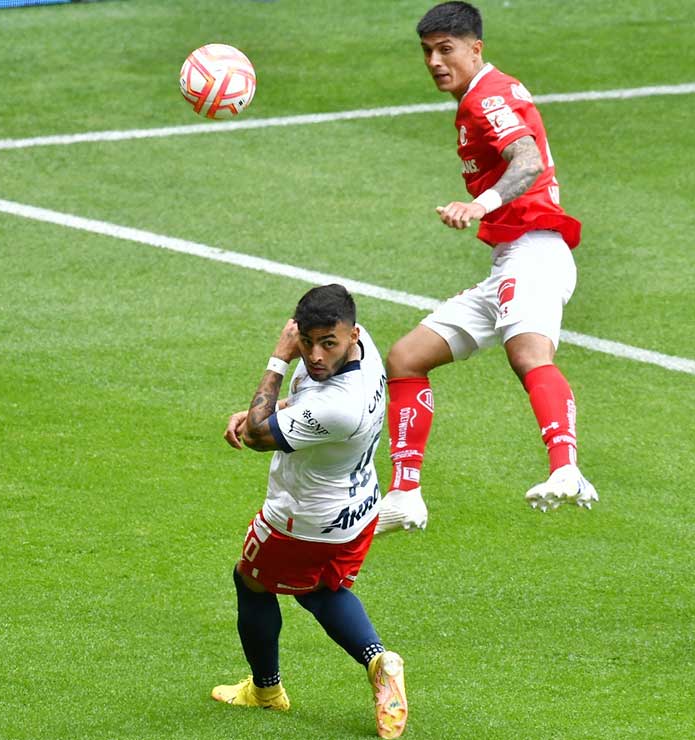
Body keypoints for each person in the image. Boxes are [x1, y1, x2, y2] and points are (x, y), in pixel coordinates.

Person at [376, 1, 598, 535]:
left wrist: (482, 204)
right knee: (406, 357)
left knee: (527, 353)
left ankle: (566, 469)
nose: (434, 61)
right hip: (512, 260)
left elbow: (528, 160)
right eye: (427, 51)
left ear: (476, 48)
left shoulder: (489, 98)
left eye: (446, 49)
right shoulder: (479, 96)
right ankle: (405, 495)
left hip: (536, 250)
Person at [214, 284, 408, 740]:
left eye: (328, 344)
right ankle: (379, 661)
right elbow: (298, 409)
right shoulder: (364, 346)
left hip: (303, 519)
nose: (316, 356)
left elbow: (261, 438)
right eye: (307, 342)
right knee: (320, 590)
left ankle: (266, 691)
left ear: (350, 334)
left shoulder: (341, 404)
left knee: (252, 582)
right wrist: (266, 411)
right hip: (357, 507)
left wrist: (279, 358)